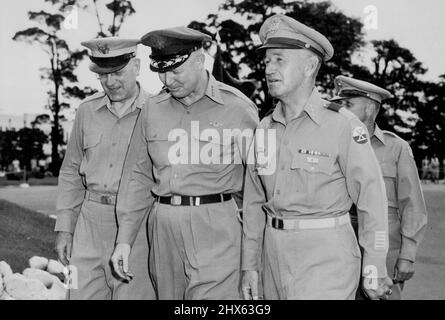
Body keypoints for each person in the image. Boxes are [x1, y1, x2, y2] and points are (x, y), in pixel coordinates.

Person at [241, 14, 392, 300]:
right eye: (267, 61)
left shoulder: (343, 125)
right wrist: (249, 265)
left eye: (279, 60)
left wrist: (374, 264)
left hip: (326, 259)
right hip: (272, 258)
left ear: (310, 66)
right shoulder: (264, 129)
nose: (269, 69)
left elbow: (372, 199)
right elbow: (253, 204)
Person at [110, 27, 259, 300]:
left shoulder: (238, 109)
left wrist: (253, 257)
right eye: (161, 72)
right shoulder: (153, 109)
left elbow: (259, 187)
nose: (168, 79)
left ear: (200, 60)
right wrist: (124, 239)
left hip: (216, 226)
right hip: (163, 226)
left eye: (176, 71)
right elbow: (138, 177)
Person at [54, 37, 155, 300]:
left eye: (118, 72)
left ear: (137, 65)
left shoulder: (157, 111)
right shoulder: (86, 111)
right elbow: (70, 172)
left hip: (137, 226)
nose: (111, 82)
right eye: (103, 75)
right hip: (89, 223)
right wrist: (65, 227)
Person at [331, 75, 428, 300]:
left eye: (348, 105)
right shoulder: (331, 144)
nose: (341, 110)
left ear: (370, 108)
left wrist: (408, 255)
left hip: (383, 250)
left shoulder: (396, 148)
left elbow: (412, 206)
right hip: (338, 249)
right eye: (339, 105)